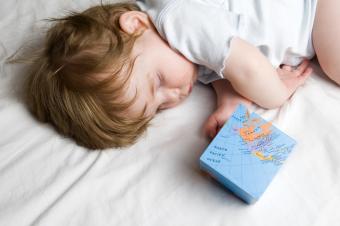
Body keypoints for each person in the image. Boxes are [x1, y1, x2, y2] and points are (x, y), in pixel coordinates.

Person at [20, 0, 339, 149]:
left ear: (134, 24)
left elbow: (246, 66)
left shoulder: (177, 20)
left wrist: (275, 92)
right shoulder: (170, 49)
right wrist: (230, 104)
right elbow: (220, 67)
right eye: (159, 105)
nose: (174, 95)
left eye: (157, 82)